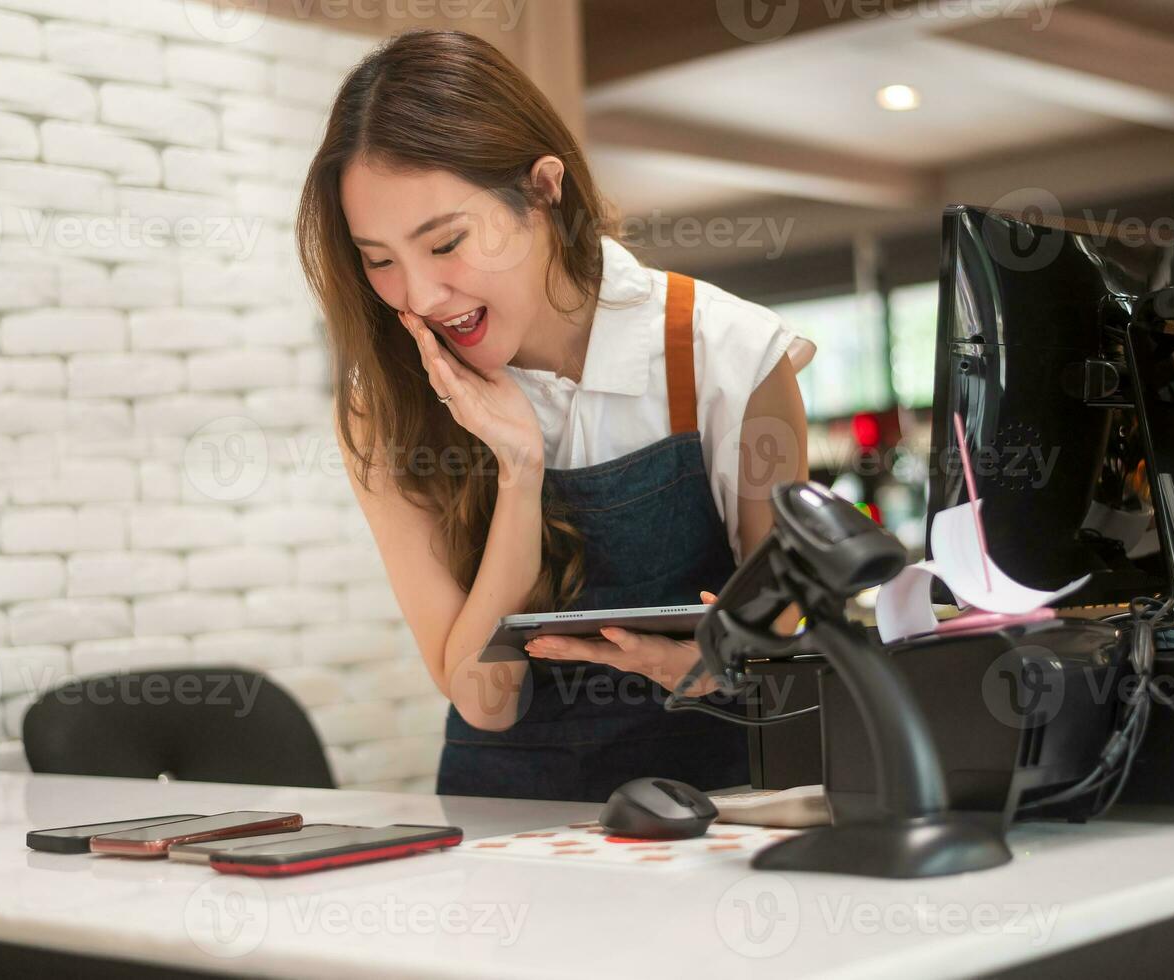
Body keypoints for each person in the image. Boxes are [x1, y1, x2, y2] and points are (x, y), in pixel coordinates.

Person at [297, 29, 814, 802]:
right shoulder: (389, 404)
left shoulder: (726, 352)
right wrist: (518, 471)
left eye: (445, 243)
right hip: (502, 826)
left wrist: (718, 660)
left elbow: (782, 638)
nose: (420, 296)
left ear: (543, 188)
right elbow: (484, 697)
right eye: (378, 259)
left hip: (718, 814)